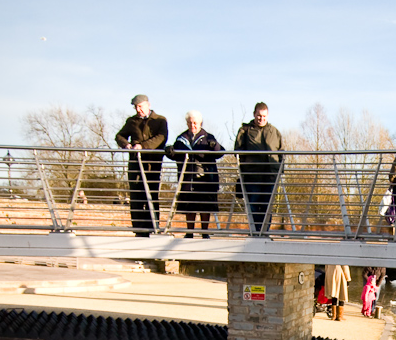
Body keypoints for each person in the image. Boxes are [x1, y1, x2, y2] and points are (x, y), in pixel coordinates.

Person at [165, 110, 225, 238]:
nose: (193, 125)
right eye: (190, 122)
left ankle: (205, 232)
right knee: (189, 206)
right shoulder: (181, 139)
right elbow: (175, 155)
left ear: (200, 123)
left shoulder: (208, 137)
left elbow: (221, 152)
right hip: (188, 177)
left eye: (195, 123)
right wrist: (169, 151)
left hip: (205, 177)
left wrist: (214, 146)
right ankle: (189, 231)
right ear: (187, 123)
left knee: (205, 207)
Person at [115, 95, 168, 236]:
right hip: (135, 164)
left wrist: (142, 146)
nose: (138, 110)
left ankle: (153, 227)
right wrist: (126, 144)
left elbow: (161, 138)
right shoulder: (132, 121)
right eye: (136, 107)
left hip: (152, 164)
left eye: (140, 106)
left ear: (148, 105)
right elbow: (119, 136)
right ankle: (139, 229)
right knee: (136, 196)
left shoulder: (160, 120)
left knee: (151, 195)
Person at [234, 102, 283, 231]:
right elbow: (237, 151)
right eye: (259, 116)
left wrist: (280, 171)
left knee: (267, 206)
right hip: (252, 175)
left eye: (264, 116)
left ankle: (264, 233)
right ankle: (255, 233)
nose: (261, 119)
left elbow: (281, 152)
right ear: (254, 115)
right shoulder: (245, 131)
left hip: (270, 175)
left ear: (268, 116)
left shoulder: (274, 132)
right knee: (253, 205)